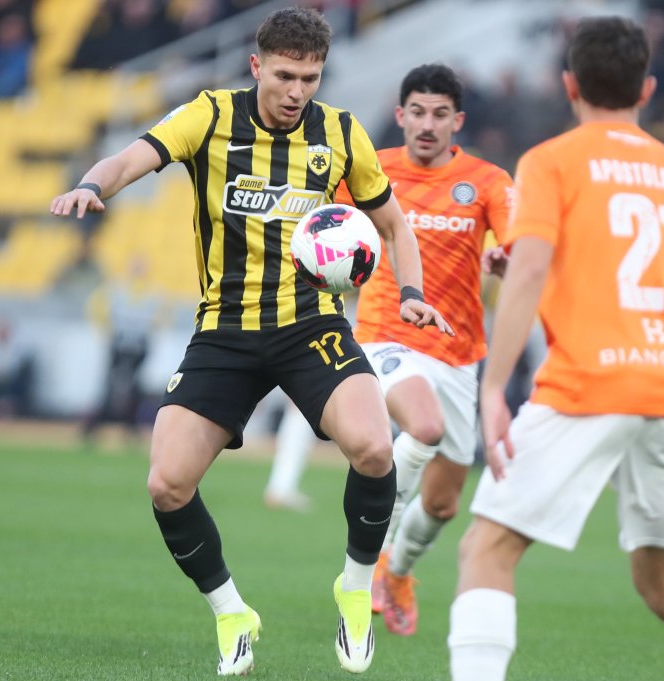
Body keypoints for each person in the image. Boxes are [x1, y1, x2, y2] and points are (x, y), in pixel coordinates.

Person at [49, 7, 451, 676]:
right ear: (257, 65)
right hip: (226, 330)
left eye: (310, 79)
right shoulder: (209, 116)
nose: (297, 92)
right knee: (167, 483)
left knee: (375, 447)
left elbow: (394, 225)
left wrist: (411, 291)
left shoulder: (340, 132)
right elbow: (130, 158)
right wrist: (93, 186)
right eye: (286, 76)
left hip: (310, 324)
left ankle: (355, 588)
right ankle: (232, 611)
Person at [449, 17, 664, 681]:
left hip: (589, 383)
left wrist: (493, 387)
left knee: (487, 549)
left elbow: (529, 270)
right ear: (647, 89)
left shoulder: (552, 161)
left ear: (570, 85)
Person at [334, 64, 513, 637]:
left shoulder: (487, 181)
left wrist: (504, 256)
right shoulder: (372, 170)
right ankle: (375, 553)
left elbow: (517, 241)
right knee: (425, 426)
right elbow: (324, 221)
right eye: (418, 112)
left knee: (441, 506)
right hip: (385, 333)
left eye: (440, 114)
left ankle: (400, 572)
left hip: (457, 351)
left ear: (457, 120)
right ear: (401, 116)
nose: (428, 124)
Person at [80, 255, 160, 444]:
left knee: (131, 388)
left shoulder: (149, 292)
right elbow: (95, 306)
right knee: (111, 386)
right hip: (120, 345)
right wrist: (105, 330)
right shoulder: (119, 290)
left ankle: (127, 427)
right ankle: (97, 427)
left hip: (136, 348)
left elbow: (158, 319)